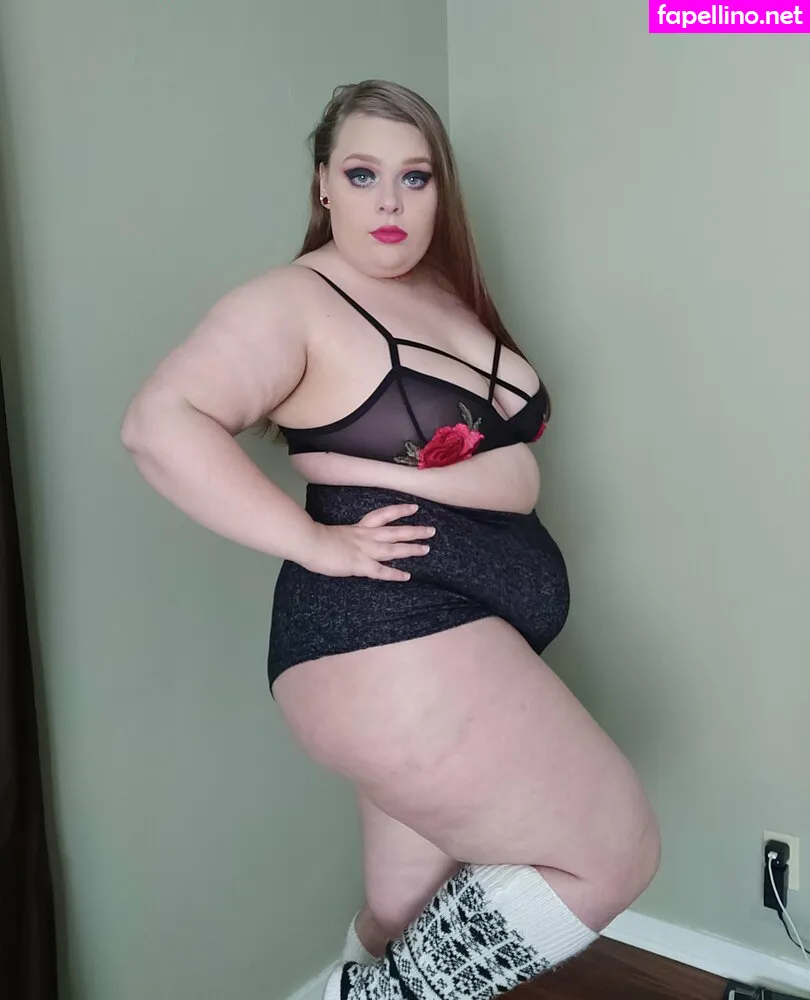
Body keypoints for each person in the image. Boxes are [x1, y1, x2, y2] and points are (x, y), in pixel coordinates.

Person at [122, 79, 661, 1000]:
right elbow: (159, 424)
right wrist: (314, 541)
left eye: (416, 178)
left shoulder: (442, 291)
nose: (390, 202)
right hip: (385, 633)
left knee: (402, 913)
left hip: (447, 638)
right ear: (323, 184)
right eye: (363, 174)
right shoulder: (293, 301)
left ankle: (364, 981)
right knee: (613, 852)